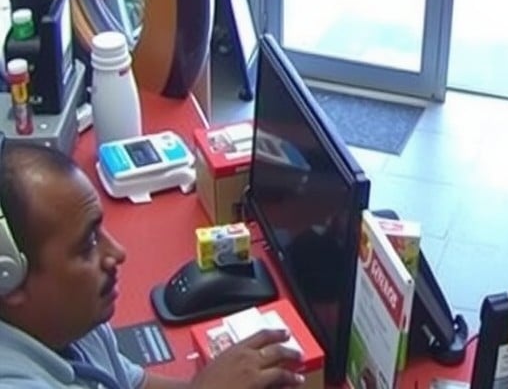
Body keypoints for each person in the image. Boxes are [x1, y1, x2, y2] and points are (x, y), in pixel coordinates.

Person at [0, 140, 305, 388]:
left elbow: (136, 384)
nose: (117, 252)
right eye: (87, 245)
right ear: (8, 276)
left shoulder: (68, 321)